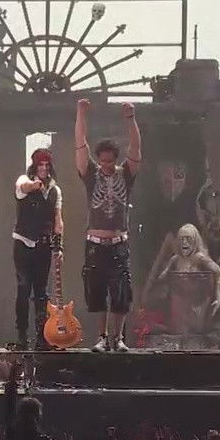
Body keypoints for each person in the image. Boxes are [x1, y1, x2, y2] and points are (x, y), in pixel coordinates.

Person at [74, 98, 142, 352]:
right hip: (95, 243)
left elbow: (135, 149)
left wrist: (131, 119)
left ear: (115, 159)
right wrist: (81, 114)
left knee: (121, 290)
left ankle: (118, 337)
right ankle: (102, 337)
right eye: (102, 161)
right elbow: (80, 145)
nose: (105, 166)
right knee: (97, 290)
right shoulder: (91, 175)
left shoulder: (126, 174)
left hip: (118, 242)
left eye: (109, 162)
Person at [13, 149, 65, 350]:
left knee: (41, 292)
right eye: (40, 165)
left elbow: (58, 221)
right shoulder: (24, 180)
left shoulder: (55, 190)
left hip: (43, 245)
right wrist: (33, 185)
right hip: (23, 243)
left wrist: (58, 247)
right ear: (34, 166)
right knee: (23, 288)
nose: (43, 169)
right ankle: (22, 337)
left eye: (46, 165)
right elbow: (22, 187)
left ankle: (42, 337)